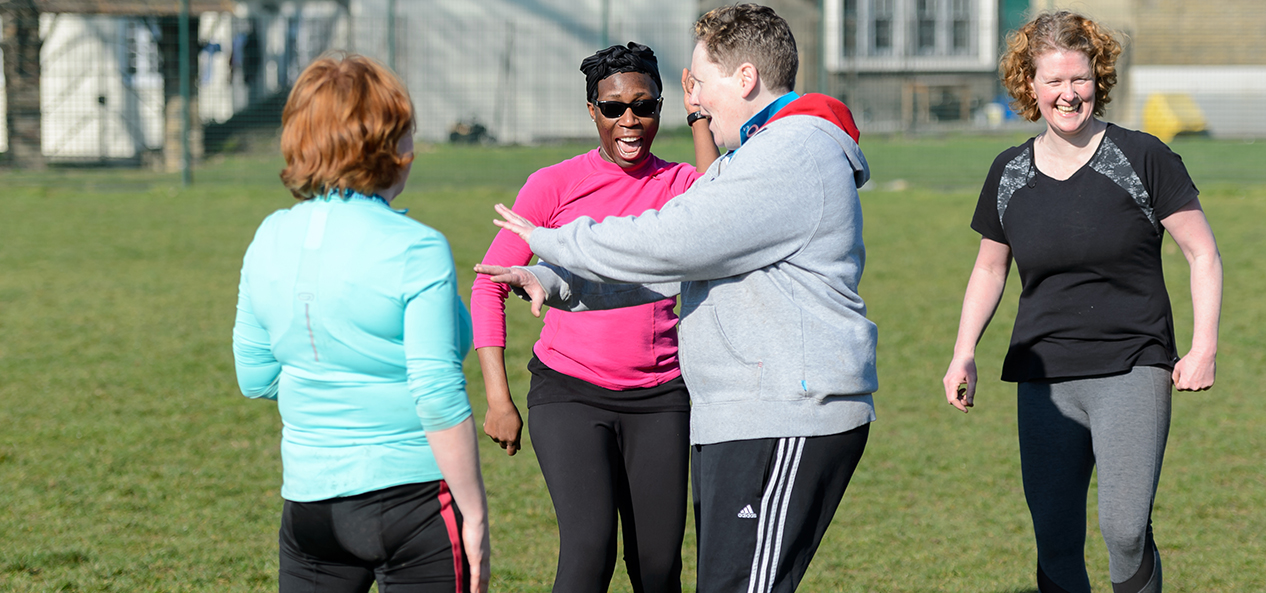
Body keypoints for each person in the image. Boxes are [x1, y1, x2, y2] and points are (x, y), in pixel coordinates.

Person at [475, 5, 874, 592]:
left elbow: (673, 244)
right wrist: (557, 281)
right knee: (607, 557)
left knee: (685, 574)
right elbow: (679, 265)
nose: (696, 102)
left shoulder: (785, 155)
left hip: (774, 406)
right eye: (614, 108)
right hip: (731, 408)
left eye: (698, 86)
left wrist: (551, 242)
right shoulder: (768, 151)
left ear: (742, 79)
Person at [941, 12, 1221, 593]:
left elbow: (1202, 254)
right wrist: (963, 350)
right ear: (1029, 85)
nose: (1069, 94)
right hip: (1044, 376)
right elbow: (990, 267)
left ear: (1099, 77)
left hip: (1132, 365)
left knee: (1123, 530)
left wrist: (1203, 347)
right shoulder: (1009, 172)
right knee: (1056, 537)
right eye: (1054, 82)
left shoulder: (1144, 158)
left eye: (1080, 79)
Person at [232, 54, 489, 593]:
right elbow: (438, 393)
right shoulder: (417, 248)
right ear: (384, 145)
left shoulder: (267, 238)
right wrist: (475, 516)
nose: (411, 150)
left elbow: (254, 377)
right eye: (405, 134)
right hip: (413, 504)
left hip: (308, 508)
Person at [471, 42, 717, 593]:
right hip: (570, 393)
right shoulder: (553, 185)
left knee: (658, 569)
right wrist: (497, 398)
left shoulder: (679, 183)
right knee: (589, 552)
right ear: (592, 111)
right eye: (613, 109)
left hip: (661, 397)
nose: (630, 122)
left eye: (645, 106)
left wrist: (699, 116)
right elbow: (488, 286)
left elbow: (719, 209)